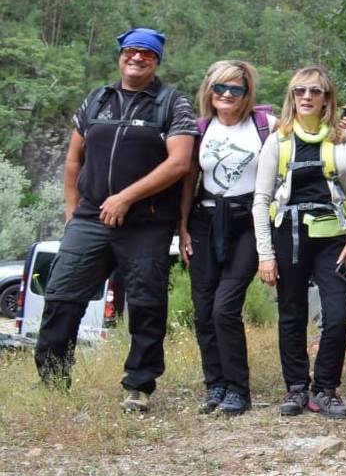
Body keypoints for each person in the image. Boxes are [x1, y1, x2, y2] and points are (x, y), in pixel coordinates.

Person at [36, 29, 196, 410]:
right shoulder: (97, 99)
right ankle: (54, 383)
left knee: (144, 304)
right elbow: (75, 158)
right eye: (130, 51)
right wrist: (72, 209)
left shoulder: (171, 103)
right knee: (61, 298)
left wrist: (125, 197)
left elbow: (180, 162)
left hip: (148, 222)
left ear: (157, 61)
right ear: (120, 56)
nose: (137, 58)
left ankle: (138, 387)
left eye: (146, 54)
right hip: (90, 219)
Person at [252, 67, 346, 420]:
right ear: (292, 96)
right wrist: (265, 254)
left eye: (314, 91)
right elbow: (261, 198)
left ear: (326, 98)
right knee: (292, 314)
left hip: (333, 237)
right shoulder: (278, 140)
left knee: (336, 317)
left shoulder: (344, 139)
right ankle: (297, 387)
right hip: (288, 234)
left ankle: (326, 389)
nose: (306, 97)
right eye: (299, 90)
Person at [180, 60, 274, 416]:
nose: (227, 94)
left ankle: (238, 388)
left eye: (236, 88)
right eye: (220, 87)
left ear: (247, 93)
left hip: (249, 221)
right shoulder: (199, 129)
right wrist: (183, 225)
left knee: (224, 306)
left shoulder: (265, 125)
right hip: (205, 220)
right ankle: (215, 384)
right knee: (203, 309)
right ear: (209, 90)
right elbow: (189, 179)